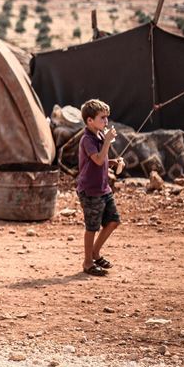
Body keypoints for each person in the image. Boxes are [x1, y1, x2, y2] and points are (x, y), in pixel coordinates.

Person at [77, 99, 124, 276]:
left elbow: (102, 160)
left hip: (103, 188)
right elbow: (96, 159)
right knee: (92, 227)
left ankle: (95, 253)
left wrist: (113, 162)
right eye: (102, 118)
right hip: (90, 191)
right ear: (90, 120)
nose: (106, 122)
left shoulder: (100, 135)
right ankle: (88, 262)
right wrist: (108, 143)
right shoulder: (86, 139)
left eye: (106, 118)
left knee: (113, 221)